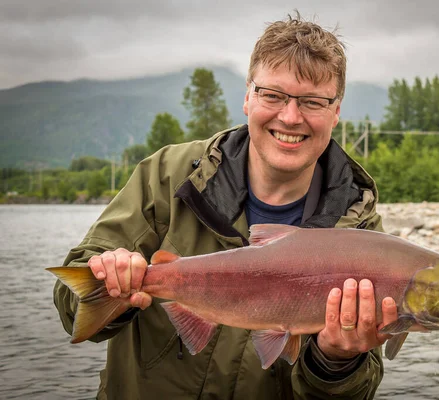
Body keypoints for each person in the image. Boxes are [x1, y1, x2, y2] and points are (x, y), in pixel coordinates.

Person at [53, 11, 398, 400]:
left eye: (312, 101)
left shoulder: (359, 230)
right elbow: (71, 309)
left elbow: (355, 392)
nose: (290, 116)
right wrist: (109, 280)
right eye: (273, 95)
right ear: (248, 97)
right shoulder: (168, 176)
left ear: (336, 111)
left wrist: (336, 360)